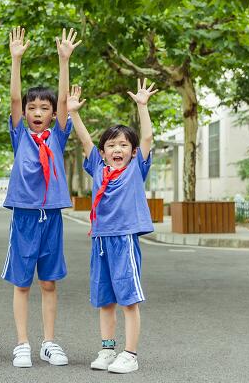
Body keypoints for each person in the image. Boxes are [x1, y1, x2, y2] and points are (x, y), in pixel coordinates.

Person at [2, 26, 81, 368]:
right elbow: (14, 100)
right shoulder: (20, 135)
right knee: (22, 283)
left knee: (48, 282)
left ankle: (49, 342)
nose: (36, 111)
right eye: (33, 107)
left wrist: (65, 60)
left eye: (43, 108)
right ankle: (22, 343)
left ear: (51, 114)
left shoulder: (57, 138)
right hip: (24, 216)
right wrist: (15, 60)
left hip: (52, 216)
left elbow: (65, 101)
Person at [72, 78, 158, 374]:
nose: (117, 149)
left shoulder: (136, 168)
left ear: (133, 152)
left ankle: (130, 354)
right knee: (104, 297)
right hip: (100, 241)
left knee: (128, 298)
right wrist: (73, 114)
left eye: (124, 144)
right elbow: (84, 141)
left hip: (124, 239)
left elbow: (146, 138)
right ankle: (107, 349)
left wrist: (142, 107)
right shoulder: (98, 167)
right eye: (111, 145)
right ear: (104, 151)